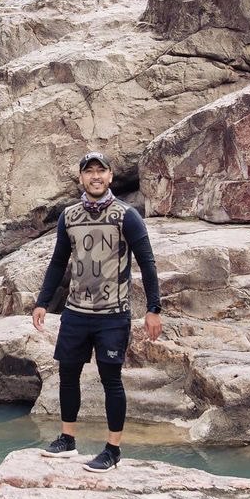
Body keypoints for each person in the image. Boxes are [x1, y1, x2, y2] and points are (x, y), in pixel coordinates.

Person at [32, 151, 162, 471]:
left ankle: (113, 450)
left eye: (100, 171)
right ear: (81, 179)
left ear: (110, 177)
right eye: (89, 172)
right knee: (68, 374)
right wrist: (42, 302)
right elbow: (58, 262)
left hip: (113, 313)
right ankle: (67, 440)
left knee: (111, 379)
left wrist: (154, 308)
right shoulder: (69, 217)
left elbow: (147, 263)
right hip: (76, 311)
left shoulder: (126, 215)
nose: (95, 177)